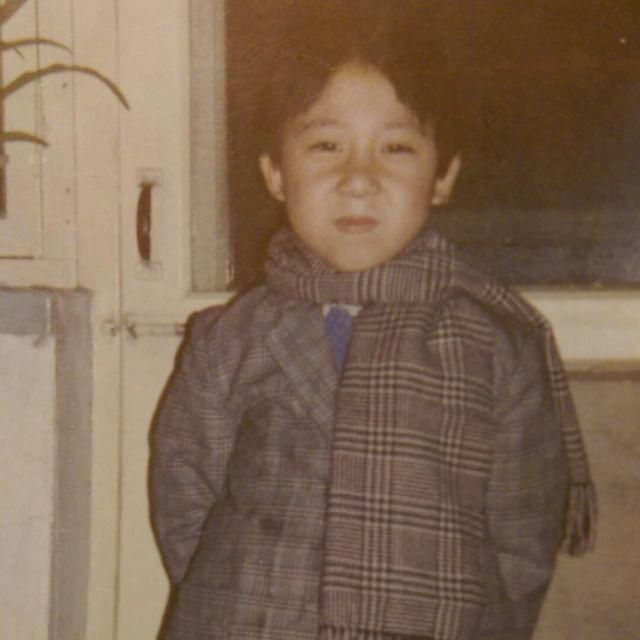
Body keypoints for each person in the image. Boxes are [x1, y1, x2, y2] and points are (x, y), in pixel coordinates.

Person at [150, 4, 595, 639]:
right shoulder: (228, 339)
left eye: (396, 148)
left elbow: (521, 533)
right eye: (326, 145)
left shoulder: (495, 343)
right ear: (275, 173)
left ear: (443, 176)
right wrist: (233, 602)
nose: (358, 179)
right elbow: (186, 502)